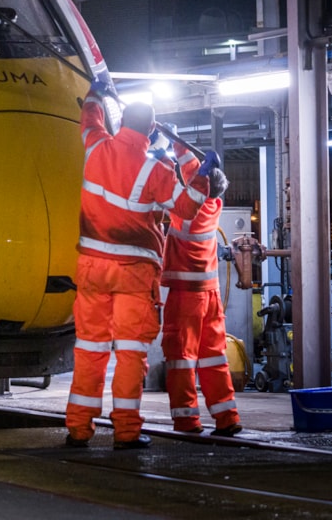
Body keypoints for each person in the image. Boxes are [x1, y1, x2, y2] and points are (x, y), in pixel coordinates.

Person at [65, 78, 220, 450]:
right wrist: (204, 177)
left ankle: (78, 429)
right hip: (133, 275)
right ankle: (126, 432)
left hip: (92, 268)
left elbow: (89, 118)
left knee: (90, 350)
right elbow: (184, 208)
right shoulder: (155, 171)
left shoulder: (96, 146)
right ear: (151, 130)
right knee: (130, 354)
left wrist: (96, 93)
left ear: (120, 124)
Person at [161, 139, 242, 437]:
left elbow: (185, 190)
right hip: (211, 299)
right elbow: (197, 180)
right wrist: (180, 146)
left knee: (181, 359)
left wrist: (162, 154)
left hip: (186, 299)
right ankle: (227, 418)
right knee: (214, 358)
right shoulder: (215, 205)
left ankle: (186, 421)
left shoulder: (186, 214)